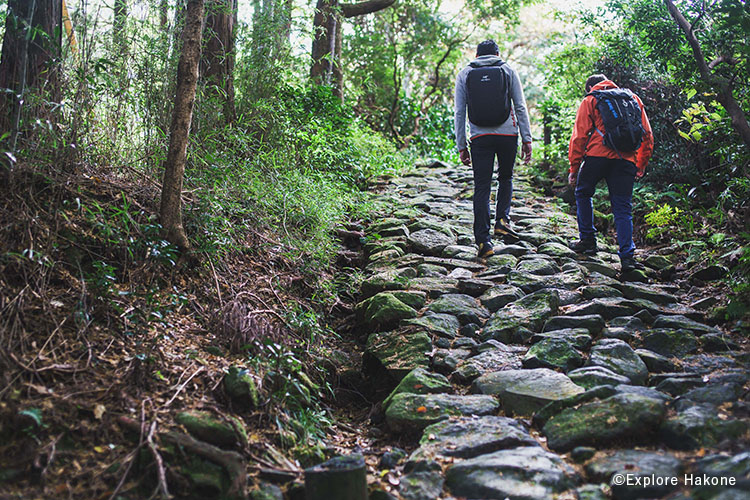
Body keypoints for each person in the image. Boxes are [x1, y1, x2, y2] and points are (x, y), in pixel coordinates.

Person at [454, 39, 532, 259]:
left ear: (477, 55)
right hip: (508, 134)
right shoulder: (507, 70)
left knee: (482, 186)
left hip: (480, 137)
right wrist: (527, 139)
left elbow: (460, 112)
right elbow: (520, 106)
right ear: (497, 53)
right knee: (506, 178)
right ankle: (502, 221)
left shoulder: (465, 73)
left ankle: (483, 242)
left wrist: (462, 145)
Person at [568, 74, 654, 272]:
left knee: (583, 193)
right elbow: (647, 135)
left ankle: (588, 240)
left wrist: (574, 168)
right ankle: (627, 258)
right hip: (626, 159)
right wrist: (641, 163)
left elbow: (579, 137)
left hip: (597, 155)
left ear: (591, 86)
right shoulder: (633, 99)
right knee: (623, 207)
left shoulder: (591, 99)